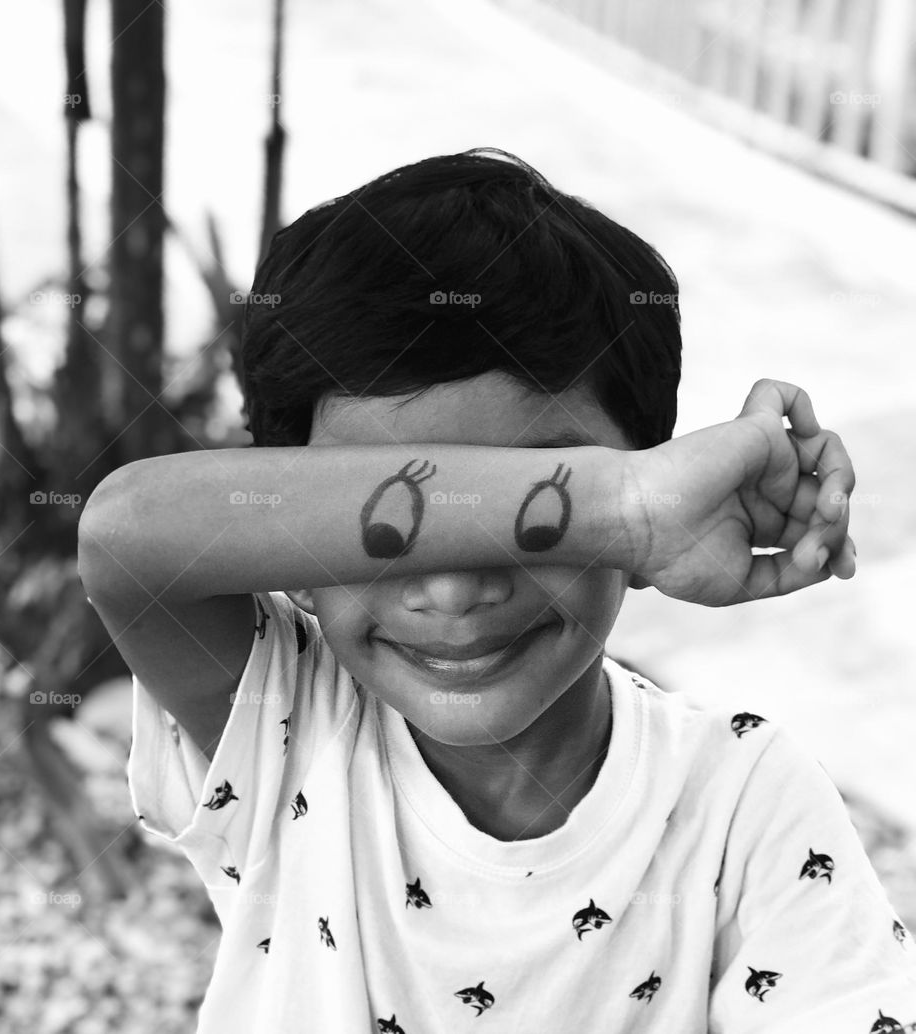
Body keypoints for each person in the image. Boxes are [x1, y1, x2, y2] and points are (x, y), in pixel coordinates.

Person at [78, 149, 915, 1033]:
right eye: (395, 514)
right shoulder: (288, 733)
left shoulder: (744, 800)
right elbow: (127, 534)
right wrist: (611, 503)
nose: (451, 585)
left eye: (535, 488)